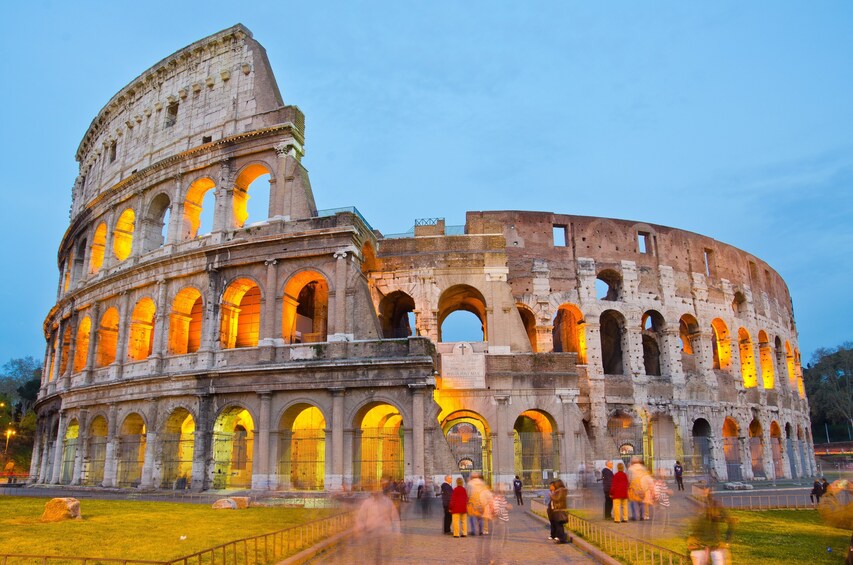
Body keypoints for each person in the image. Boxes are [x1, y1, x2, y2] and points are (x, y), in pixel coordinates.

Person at [354, 485, 401, 565]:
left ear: (381, 492)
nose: (376, 493)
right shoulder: (367, 503)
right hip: (371, 532)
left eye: (378, 491)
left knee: (385, 555)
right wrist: (359, 528)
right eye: (374, 491)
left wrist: (397, 531)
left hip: (385, 533)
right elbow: (361, 517)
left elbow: (394, 517)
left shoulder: (387, 502)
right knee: (372, 555)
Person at [687, 487, 734, 565]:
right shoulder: (693, 505)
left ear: (709, 490)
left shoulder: (715, 505)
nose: (702, 490)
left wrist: (727, 542)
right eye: (700, 488)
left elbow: (731, 522)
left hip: (714, 546)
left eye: (705, 488)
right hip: (698, 547)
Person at [550, 479, 569, 544]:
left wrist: (551, 495)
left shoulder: (561, 490)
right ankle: (560, 538)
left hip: (559, 509)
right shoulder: (561, 490)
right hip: (558, 509)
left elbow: (557, 499)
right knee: (558, 525)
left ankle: (562, 538)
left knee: (559, 525)